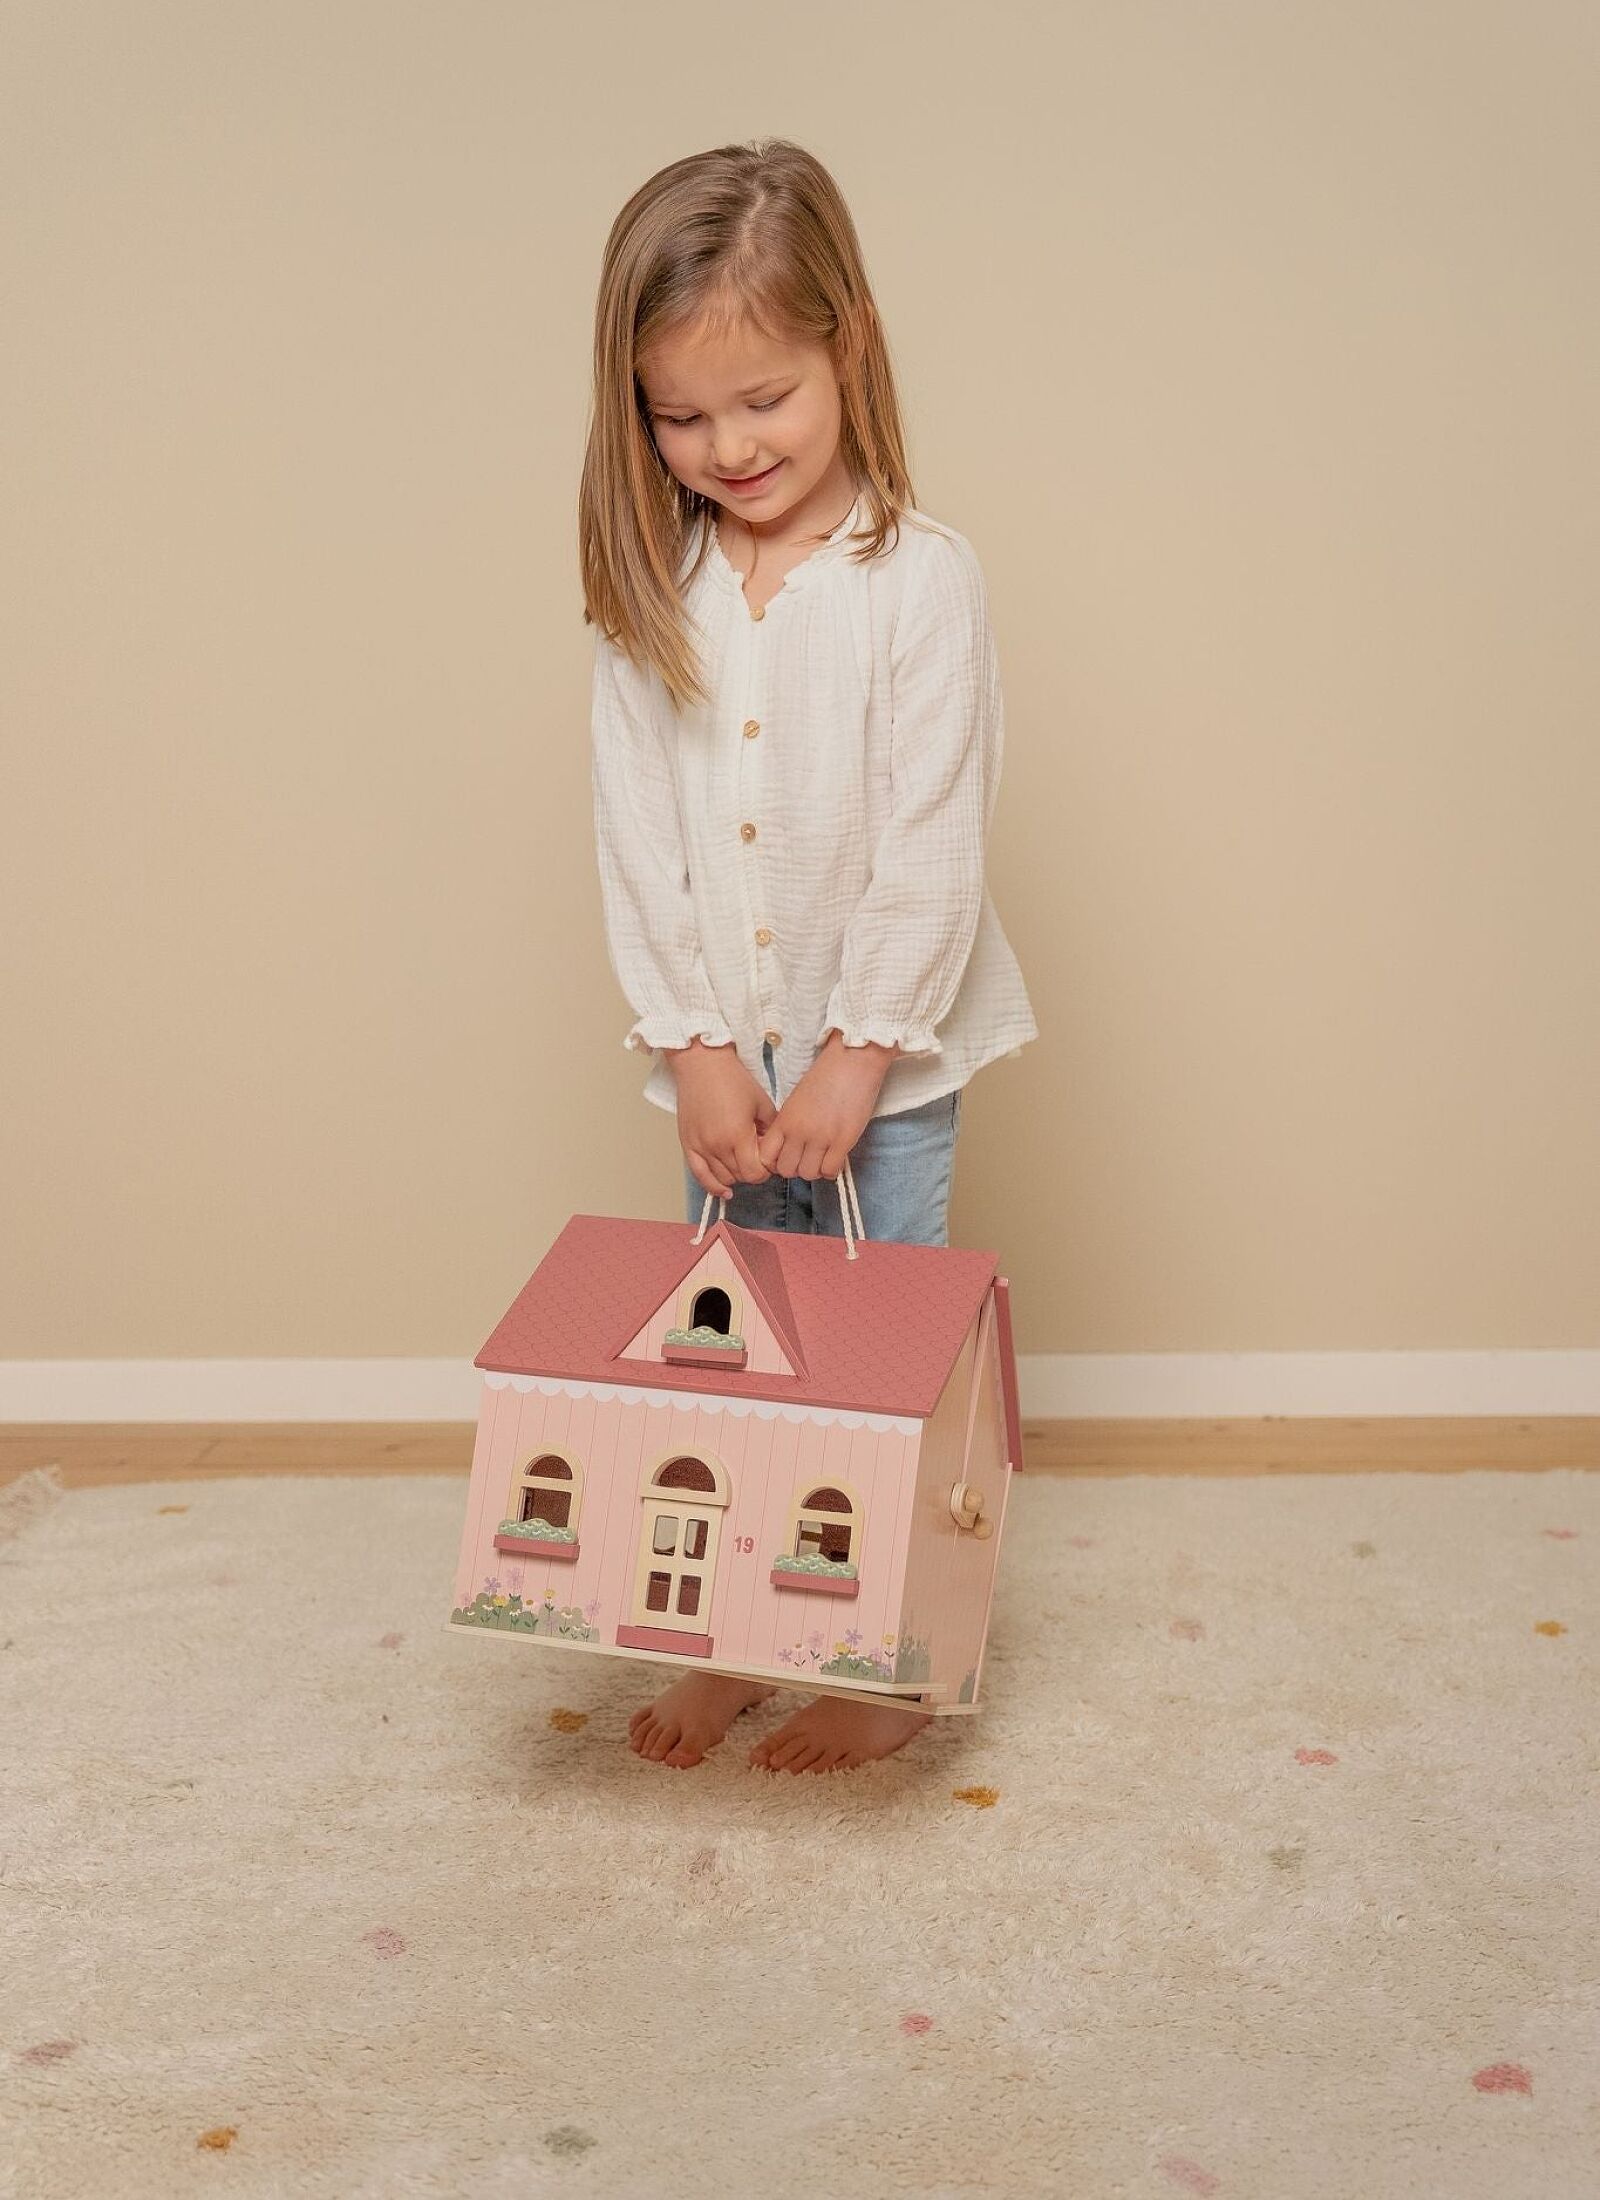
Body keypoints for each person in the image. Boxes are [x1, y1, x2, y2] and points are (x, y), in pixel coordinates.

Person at [579, 138, 1038, 1774]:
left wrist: (861, 1050)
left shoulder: (920, 582)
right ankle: (723, 1639)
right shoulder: (658, 588)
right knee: (724, 1374)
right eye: (679, 417)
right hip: (726, 1060)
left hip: (878, 1066)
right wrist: (697, 1042)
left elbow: (934, 831)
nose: (726, 447)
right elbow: (638, 830)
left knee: (865, 1375)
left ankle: (872, 1655)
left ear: (845, 347)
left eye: (762, 399)